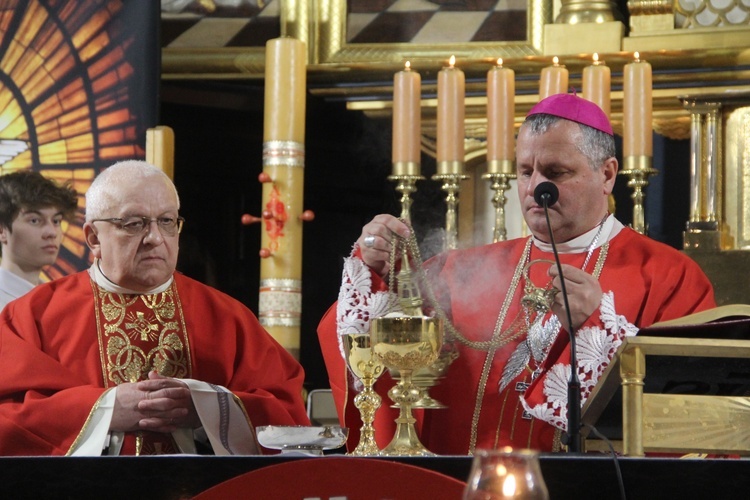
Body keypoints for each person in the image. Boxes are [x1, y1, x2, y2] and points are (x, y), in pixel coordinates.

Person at [317, 93, 716, 455]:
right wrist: (377, 269)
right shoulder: (458, 272)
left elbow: (691, 418)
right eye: (525, 172)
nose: (536, 186)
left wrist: (601, 327)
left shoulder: (668, 277)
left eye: (556, 172)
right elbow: (374, 350)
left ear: (607, 174)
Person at [0, 160, 309, 456]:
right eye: (133, 224)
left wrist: (208, 408)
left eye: (166, 221)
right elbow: (8, 418)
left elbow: (286, 415)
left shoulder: (227, 317)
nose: (155, 238)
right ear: (93, 237)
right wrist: (105, 409)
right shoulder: (32, 316)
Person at [0, 170, 78, 310]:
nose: (52, 232)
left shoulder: (63, 303)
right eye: (35, 220)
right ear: (2, 230)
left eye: (56, 221)